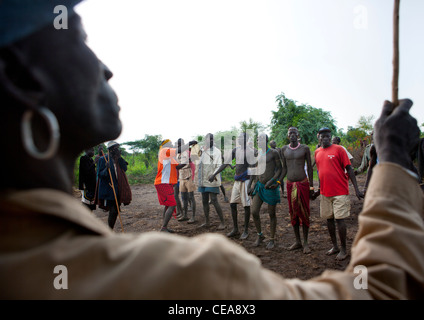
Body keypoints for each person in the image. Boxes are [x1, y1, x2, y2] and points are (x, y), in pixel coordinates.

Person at [1, 2, 423, 300]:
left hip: (295, 187)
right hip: (239, 187)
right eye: (79, 37)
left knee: (278, 214)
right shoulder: (182, 275)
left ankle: (280, 238)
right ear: (21, 79)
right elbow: (386, 290)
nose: (104, 68)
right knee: (249, 212)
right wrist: (395, 163)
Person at [314, 127, 364, 260]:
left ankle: (343, 249)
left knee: (340, 220)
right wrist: (319, 190)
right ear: (318, 137)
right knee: (329, 220)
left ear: (331, 137)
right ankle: (335, 246)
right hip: (325, 192)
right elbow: (320, 173)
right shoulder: (317, 152)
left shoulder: (339, 150)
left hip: (340, 191)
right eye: (322, 136)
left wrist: (357, 189)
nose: (325, 138)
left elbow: (350, 169)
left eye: (327, 136)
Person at [208, 132, 255, 239]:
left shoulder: (250, 152)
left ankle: (246, 230)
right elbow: (226, 163)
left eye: (241, 137)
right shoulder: (236, 150)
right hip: (237, 181)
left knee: (246, 206)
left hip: (246, 181)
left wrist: (250, 185)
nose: (238, 139)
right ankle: (235, 229)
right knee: (232, 204)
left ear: (246, 139)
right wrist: (214, 173)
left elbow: (253, 170)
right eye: (238, 137)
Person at [279, 127, 314, 254]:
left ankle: (305, 242)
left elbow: (310, 168)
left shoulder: (304, 148)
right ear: (288, 136)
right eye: (290, 133)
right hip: (290, 185)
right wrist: (278, 181)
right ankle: (297, 241)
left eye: (294, 133)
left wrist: (311, 187)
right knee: (293, 212)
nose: (292, 135)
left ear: (298, 135)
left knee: (304, 212)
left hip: (303, 184)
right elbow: (284, 169)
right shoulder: (284, 149)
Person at [248, 133, 282, 249]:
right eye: (257, 139)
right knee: (254, 211)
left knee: (271, 213)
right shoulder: (256, 153)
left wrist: (273, 181)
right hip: (259, 186)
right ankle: (260, 235)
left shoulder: (273, 153)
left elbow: (280, 169)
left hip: (270, 187)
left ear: (266, 140)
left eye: (261, 139)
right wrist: (250, 185)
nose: (259, 141)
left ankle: (272, 238)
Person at [154, 139, 196, 232]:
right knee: (172, 204)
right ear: (166, 145)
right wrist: (189, 143)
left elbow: (177, 167)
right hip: (163, 183)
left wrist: (187, 161)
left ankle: (164, 227)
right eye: (171, 144)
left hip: (165, 183)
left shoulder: (169, 157)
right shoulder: (164, 151)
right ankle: (164, 228)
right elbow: (179, 150)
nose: (172, 145)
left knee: (168, 205)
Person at [97, 141, 132, 230]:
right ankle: (109, 230)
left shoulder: (118, 159)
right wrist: (106, 168)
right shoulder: (103, 159)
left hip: (118, 188)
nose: (117, 150)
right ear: (110, 150)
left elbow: (125, 169)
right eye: (115, 148)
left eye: (117, 148)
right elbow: (100, 175)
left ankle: (110, 229)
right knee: (113, 210)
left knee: (116, 210)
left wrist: (120, 159)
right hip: (109, 188)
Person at [197, 133, 226, 230]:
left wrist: (214, 175)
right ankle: (207, 221)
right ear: (205, 140)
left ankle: (223, 222)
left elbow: (219, 165)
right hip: (203, 179)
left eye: (212, 139)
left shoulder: (216, 151)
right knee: (204, 200)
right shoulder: (202, 150)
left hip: (212, 178)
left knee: (214, 200)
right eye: (208, 139)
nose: (210, 141)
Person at [176, 138, 197, 223]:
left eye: (181, 144)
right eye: (178, 144)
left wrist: (176, 167)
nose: (179, 145)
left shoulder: (188, 152)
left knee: (191, 197)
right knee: (184, 197)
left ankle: (193, 217)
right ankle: (185, 215)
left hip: (188, 175)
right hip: (181, 177)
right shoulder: (178, 153)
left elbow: (190, 163)